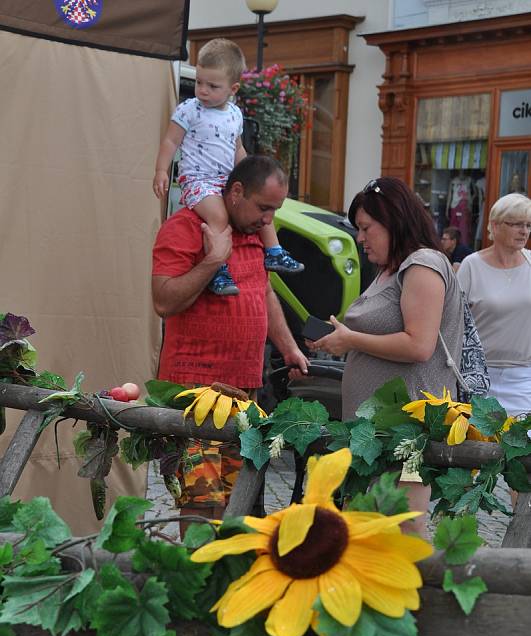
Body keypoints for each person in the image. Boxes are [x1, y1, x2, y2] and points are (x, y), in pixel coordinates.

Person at [152, 154, 308, 524]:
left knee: (242, 502)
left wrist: (288, 347)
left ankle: (231, 578)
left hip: (245, 393)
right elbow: (163, 301)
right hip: (197, 396)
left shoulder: (254, 235)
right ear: (236, 192)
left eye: (275, 210)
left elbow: (264, 292)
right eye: (263, 207)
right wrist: (212, 261)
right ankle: (197, 577)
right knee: (202, 503)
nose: (268, 220)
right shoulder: (186, 228)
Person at [307, 177, 464, 535]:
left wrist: (352, 341)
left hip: (405, 430)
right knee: (364, 535)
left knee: (398, 536)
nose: (360, 238)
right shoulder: (390, 269)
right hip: (374, 432)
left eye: (366, 228)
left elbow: (419, 345)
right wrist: (342, 340)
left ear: (394, 221)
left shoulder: (422, 265)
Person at [152, 38, 303, 297]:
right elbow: (170, 140)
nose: (203, 90)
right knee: (219, 217)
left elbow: (237, 149)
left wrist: (250, 173)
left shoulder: (235, 114)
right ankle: (218, 268)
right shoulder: (189, 110)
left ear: (233, 88)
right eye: (199, 82)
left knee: (263, 209)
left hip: (225, 179)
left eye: (212, 86)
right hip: (198, 180)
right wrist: (161, 170)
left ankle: (274, 253)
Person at [457, 192, 531, 418]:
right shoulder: (471, 266)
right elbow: (453, 319)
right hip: (478, 375)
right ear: (495, 226)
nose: (524, 231)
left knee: (521, 447)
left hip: (523, 377)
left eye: (528, 225)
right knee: (478, 447)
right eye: (516, 224)